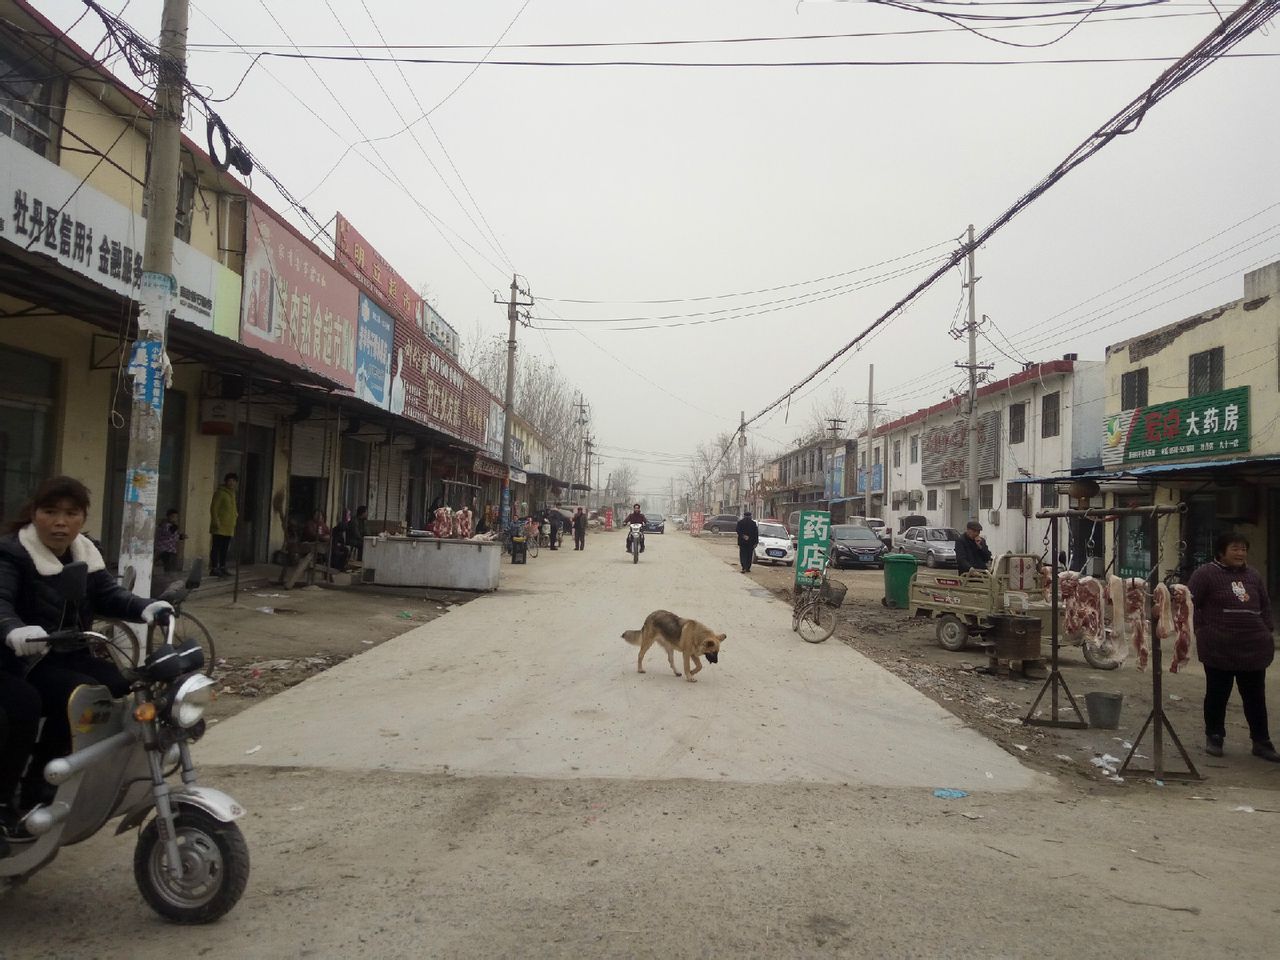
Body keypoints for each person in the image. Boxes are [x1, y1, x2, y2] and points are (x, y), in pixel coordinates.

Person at [0, 476, 172, 815]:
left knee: (122, 684)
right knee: (42, 701)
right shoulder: (11, 553)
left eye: (71, 513)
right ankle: (17, 794)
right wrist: (14, 630)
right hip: (17, 660)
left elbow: (108, 595)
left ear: (83, 518)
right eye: (50, 512)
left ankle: (75, 772)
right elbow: (0, 601)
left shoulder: (84, 551)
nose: (61, 522)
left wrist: (144, 607)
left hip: (66, 655)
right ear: (34, 514)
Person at [1188, 533, 1280, 762]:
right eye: (1235, 549)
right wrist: (1201, 630)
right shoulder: (1205, 574)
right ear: (1221, 552)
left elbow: (1265, 605)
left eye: (1243, 550)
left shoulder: (1253, 575)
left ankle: (1261, 742)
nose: (1240, 554)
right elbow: (1189, 604)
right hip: (1219, 647)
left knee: (1255, 697)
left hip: (1253, 648)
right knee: (1218, 694)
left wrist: (1267, 630)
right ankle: (1215, 737)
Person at [208, 472, 239, 577]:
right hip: (219, 526)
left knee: (225, 548)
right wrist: (215, 521)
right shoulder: (220, 493)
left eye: (233, 481)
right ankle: (214, 568)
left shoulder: (232, 494)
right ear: (225, 481)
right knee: (216, 547)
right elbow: (214, 508)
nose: (231, 483)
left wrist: (235, 517)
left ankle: (222, 567)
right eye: (229, 480)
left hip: (229, 526)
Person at [154, 507, 185, 574]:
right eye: (173, 517)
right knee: (169, 568)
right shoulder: (166, 525)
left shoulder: (169, 526)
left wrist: (180, 536)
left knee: (168, 566)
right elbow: (168, 534)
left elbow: (173, 537)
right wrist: (176, 528)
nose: (175, 519)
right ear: (168, 517)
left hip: (166, 549)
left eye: (176, 517)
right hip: (167, 550)